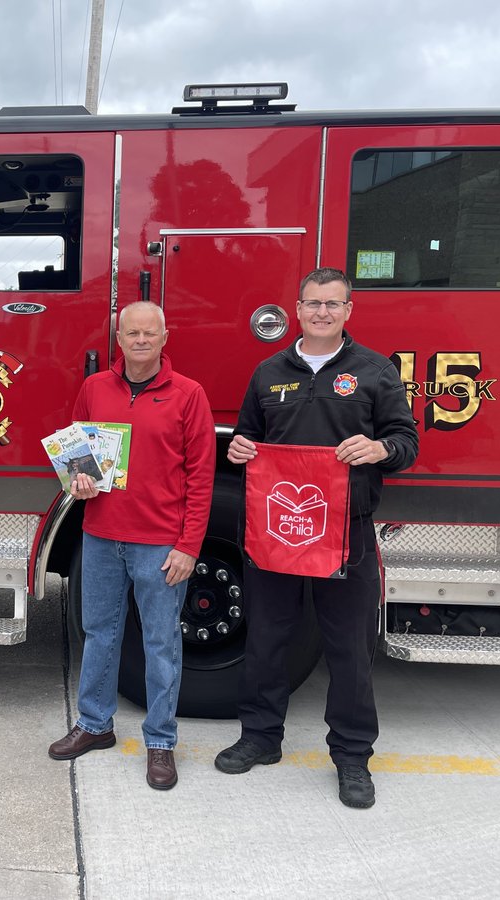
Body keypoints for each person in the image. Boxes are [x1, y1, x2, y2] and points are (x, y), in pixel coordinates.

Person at [216, 267, 418, 809]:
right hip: (278, 530)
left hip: (346, 534)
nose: (322, 312)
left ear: (348, 311)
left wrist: (379, 450)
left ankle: (352, 758)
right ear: (297, 309)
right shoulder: (268, 372)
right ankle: (260, 738)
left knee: (350, 649)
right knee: (266, 640)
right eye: (312, 303)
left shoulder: (375, 372)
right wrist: (239, 450)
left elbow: (406, 440)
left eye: (333, 303)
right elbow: (249, 437)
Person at [48, 301, 215, 790]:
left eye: (150, 333)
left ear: (166, 337)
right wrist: (78, 484)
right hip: (100, 537)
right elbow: (77, 457)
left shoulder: (189, 394)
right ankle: (95, 725)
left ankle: (160, 743)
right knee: (99, 633)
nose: (140, 340)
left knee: (160, 643)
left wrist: (188, 545)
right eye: (131, 333)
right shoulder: (94, 389)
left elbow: (202, 477)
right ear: (117, 340)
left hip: (160, 544)